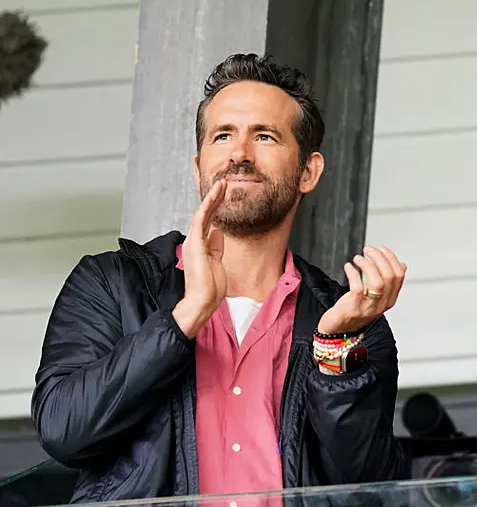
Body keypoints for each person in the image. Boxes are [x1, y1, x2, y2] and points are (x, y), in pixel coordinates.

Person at [30, 54, 406, 502]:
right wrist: (184, 316)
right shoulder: (111, 283)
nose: (240, 154)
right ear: (197, 168)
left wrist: (334, 352)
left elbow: (372, 484)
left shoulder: (350, 322)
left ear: (309, 172)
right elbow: (63, 431)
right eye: (223, 135)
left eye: (264, 136)